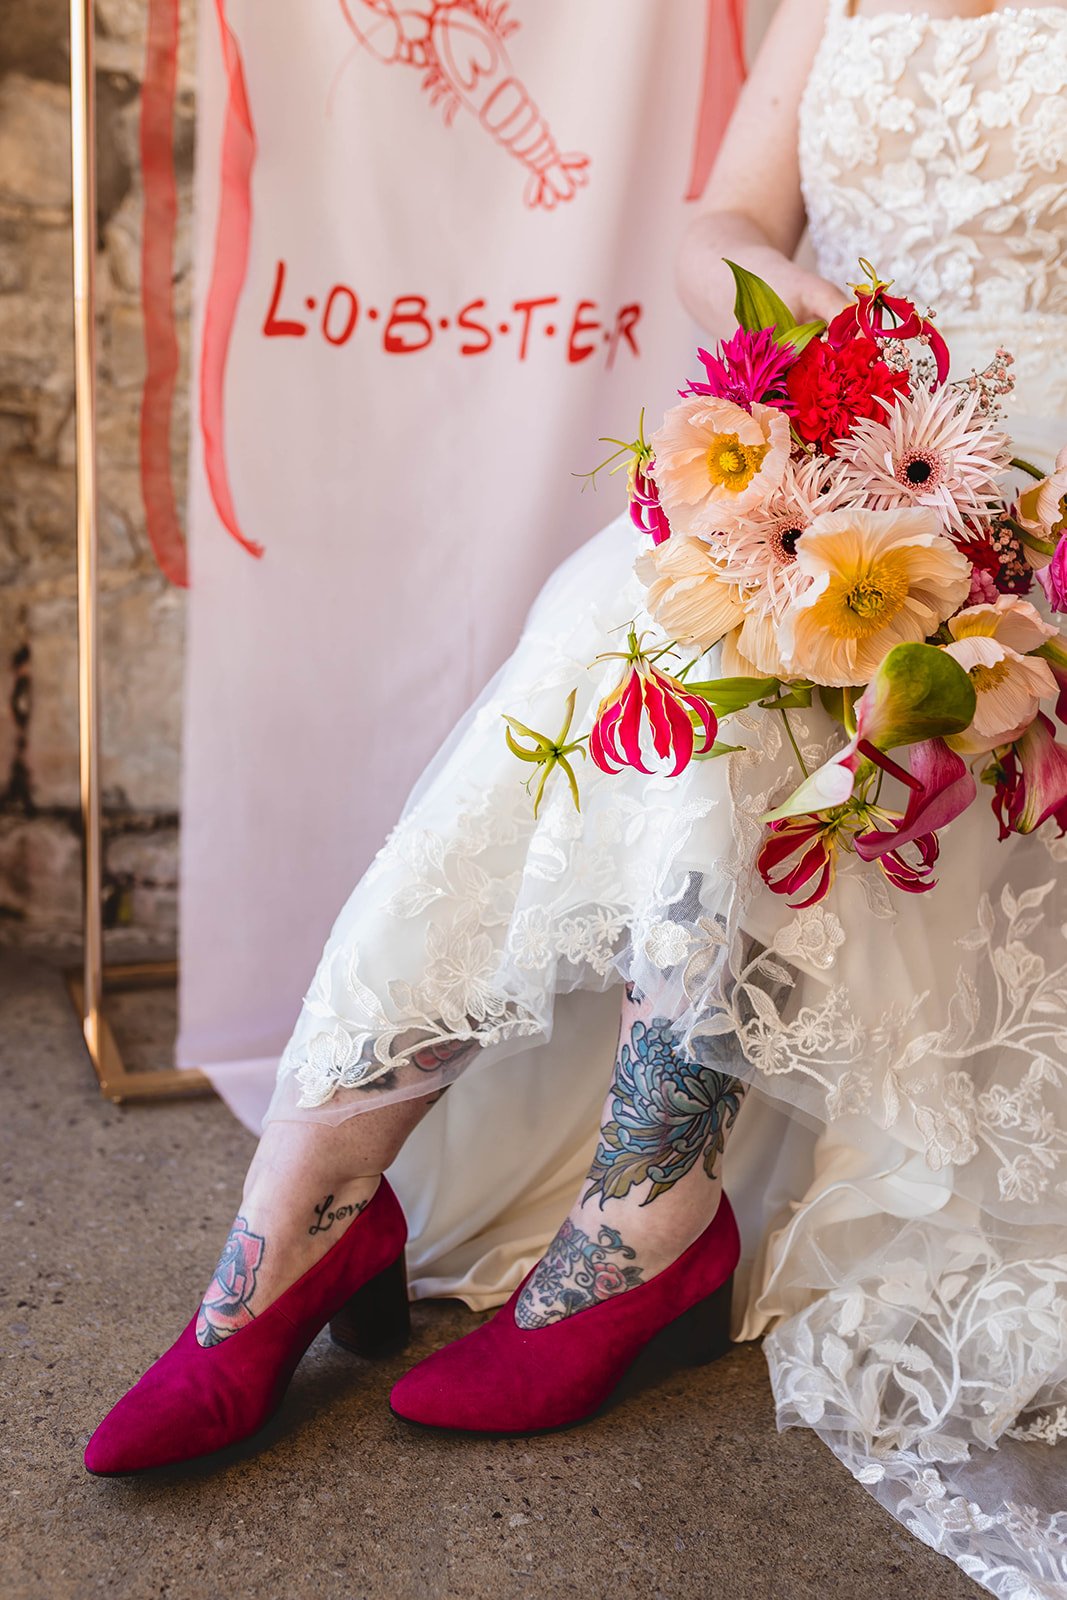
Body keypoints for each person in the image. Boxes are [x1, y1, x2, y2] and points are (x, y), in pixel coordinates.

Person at [87, 3, 1067, 1594]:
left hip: (1031, 481)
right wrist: (793, 325)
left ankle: (635, 1221)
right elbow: (722, 216)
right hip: (831, 435)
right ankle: (308, 1206)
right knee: (617, 626)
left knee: (751, 677)